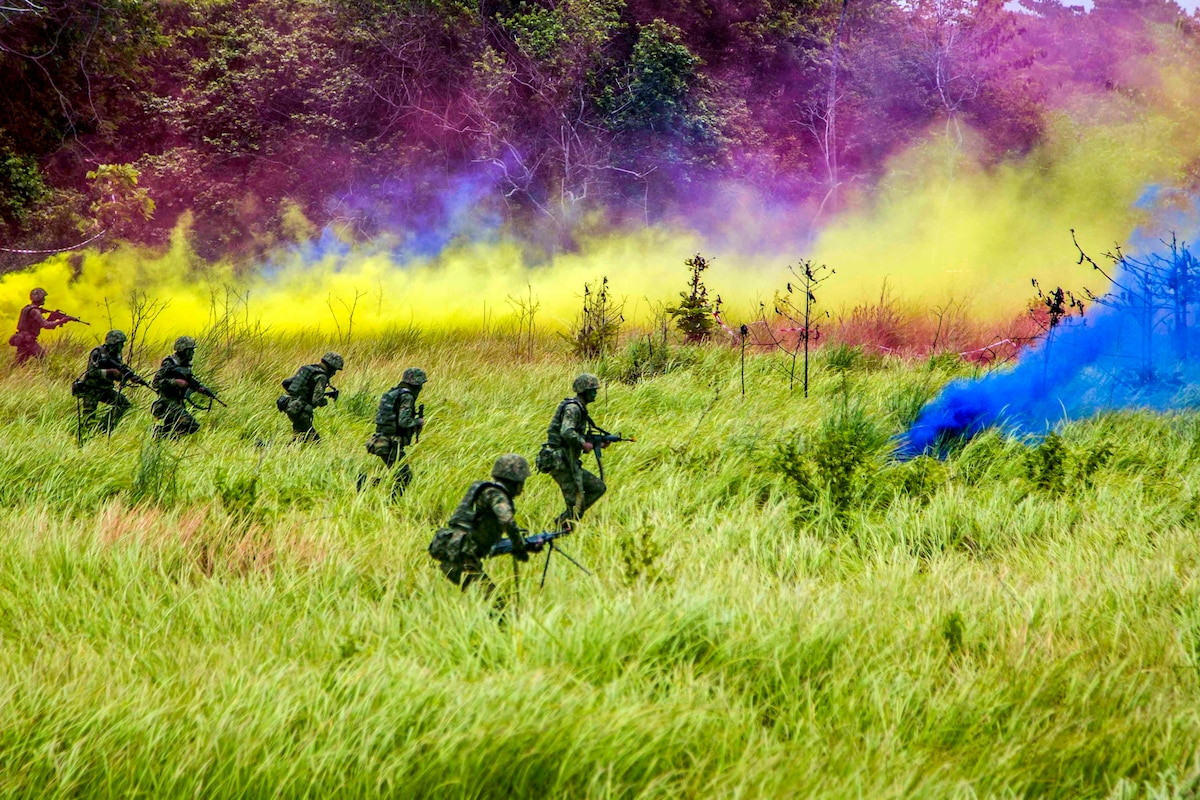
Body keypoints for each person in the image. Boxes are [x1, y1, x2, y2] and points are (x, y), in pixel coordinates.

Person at [427, 454, 531, 607]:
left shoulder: (483, 489)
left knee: (486, 602)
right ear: (515, 481)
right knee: (498, 607)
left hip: (456, 552)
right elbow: (507, 520)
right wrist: (518, 545)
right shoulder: (496, 495)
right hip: (462, 558)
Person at [536, 373, 608, 530]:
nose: (595, 393)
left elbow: (576, 434)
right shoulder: (573, 408)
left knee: (598, 488)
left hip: (568, 460)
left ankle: (563, 524)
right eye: (592, 390)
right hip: (560, 461)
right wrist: (583, 444)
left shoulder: (580, 409)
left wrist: (596, 443)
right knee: (575, 501)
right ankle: (558, 531)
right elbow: (567, 431)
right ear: (583, 391)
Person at [364, 367, 427, 497]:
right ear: (416, 384)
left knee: (398, 475)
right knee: (404, 476)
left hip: (381, 440)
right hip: (390, 443)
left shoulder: (393, 393)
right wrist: (418, 422)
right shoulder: (407, 397)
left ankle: (369, 485)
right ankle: (390, 502)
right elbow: (404, 422)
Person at [71, 330, 148, 434]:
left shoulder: (116, 356)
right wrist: (109, 372)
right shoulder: (98, 352)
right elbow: (92, 371)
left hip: (106, 390)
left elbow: (118, 373)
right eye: (121, 343)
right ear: (114, 343)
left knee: (124, 404)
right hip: (92, 390)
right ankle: (83, 438)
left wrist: (128, 377)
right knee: (88, 418)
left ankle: (103, 428)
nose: (122, 346)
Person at [151, 336, 216, 439]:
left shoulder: (185, 365)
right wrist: (175, 382)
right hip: (168, 402)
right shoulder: (170, 363)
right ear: (182, 350)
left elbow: (189, 382)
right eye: (190, 351)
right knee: (190, 424)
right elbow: (156, 383)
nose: (192, 354)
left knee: (175, 430)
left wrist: (197, 388)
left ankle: (160, 435)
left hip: (178, 402)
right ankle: (157, 434)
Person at [277, 352, 342, 442]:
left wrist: (298, 395)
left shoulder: (308, 369)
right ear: (331, 367)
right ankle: (265, 446)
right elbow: (317, 400)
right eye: (335, 370)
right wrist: (324, 401)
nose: (334, 373)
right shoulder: (321, 376)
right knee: (314, 442)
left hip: (290, 404)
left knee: (300, 439)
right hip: (300, 410)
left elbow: (286, 382)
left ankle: (269, 446)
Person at [10, 287, 69, 364]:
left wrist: (52, 317)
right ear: (39, 298)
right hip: (28, 341)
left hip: (23, 339)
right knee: (44, 360)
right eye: (43, 297)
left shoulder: (27, 308)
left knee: (19, 364)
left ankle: (13, 375)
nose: (44, 299)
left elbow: (37, 325)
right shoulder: (35, 311)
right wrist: (61, 321)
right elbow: (46, 325)